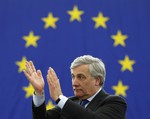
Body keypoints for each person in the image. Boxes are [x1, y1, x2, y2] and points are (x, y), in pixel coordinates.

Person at [23, 55, 127, 119]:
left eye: (81, 77)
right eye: (73, 77)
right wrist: (39, 92)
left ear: (97, 80)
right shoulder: (70, 102)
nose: (74, 83)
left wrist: (59, 98)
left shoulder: (115, 103)